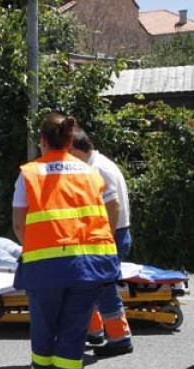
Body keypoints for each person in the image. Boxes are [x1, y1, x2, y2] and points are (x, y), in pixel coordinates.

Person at [12, 113, 119, 369]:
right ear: (71, 141)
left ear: (42, 141)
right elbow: (112, 207)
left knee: (43, 331)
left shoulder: (30, 173)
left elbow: (20, 224)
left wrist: (35, 247)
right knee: (73, 335)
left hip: (44, 267)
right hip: (89, 265)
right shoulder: (90, 172)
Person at [70, 128, 134, 356]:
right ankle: (95, 332)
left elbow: (112, 204)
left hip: (109, 235)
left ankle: (120, 338)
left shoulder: (97, 169)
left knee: (104, 288)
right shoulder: (100, 164)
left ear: (75, 151)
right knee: (92, 286)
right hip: (111, 234)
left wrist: (104, 237)